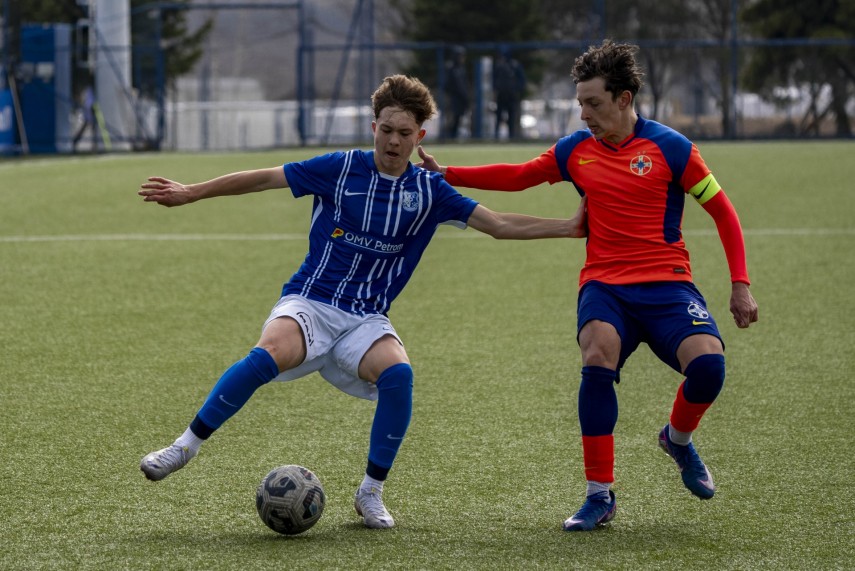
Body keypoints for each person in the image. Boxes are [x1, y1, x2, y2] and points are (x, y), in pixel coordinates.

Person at [138, 74, 587, 529]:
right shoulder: (340, 167)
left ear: (420, 137)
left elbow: (499, 225)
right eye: (386, 130)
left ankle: (370, 492)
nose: (393, 141)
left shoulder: (429, 191)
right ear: (373, 127)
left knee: (399, 375)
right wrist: (192, 191)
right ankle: (184, 447)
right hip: (312, 300)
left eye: (404, 133)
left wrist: (568, 227)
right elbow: (263, 178)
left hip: (365, 318)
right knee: (269, 352)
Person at [418, 40, 759, 531]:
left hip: (668, 285)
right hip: (605, 285)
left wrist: (740, 284)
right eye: (580, 103)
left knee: (709, 369)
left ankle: (677, 439)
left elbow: (723, 213)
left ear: (624, 99)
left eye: (593, 103)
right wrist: (448, 173)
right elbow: (521, 176)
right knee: (597, 354)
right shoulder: (576, 151)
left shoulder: (672, 148)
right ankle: (599, 495)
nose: (584, 114)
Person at [492, 49, 525, 140]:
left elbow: (521, 80)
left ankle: (511, 136)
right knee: (499, 117)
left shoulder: (515, 65)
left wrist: (516, 90)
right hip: (501, 95)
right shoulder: (499, 66)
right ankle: (497, 136)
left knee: (511, 117)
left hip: (511, 96)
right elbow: (494, 80)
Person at [442, 46, 470, 140]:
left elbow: (464, 84)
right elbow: (448, 85)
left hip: (461, 99)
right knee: (453, 119)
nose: (463, 59)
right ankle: (450, 137)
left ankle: (454, 136)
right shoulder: (451, 69)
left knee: (459, 119)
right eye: (461, 56)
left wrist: (465, 96)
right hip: (454, 99)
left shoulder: (461, 69)